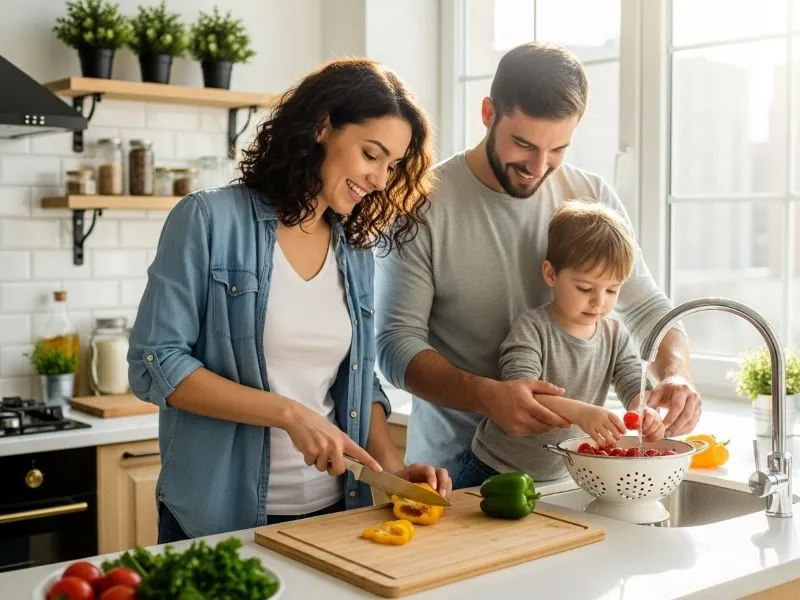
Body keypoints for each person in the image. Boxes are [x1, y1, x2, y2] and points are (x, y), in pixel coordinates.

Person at [127, 58, 452, 543]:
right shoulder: (208, 220)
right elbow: (156, 364)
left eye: (392, 165)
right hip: (218, 520)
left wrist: (392, 470)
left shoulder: (355, 250)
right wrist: (289, 412)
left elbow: (360, 382)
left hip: (332, 516)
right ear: (322, 127)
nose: (382, 179)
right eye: (371, 154)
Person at [375, 41, 701, 479]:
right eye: (523, 144)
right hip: (454, 476)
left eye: (558, 149)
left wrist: (674, 376)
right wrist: (487, 395)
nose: (539, 166)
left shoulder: (592, 196)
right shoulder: (421, 203)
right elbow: (396, 346)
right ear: (488, 113)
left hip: (568, 475)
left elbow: (646, 309)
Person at [455, 199, 666, 487]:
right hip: (495, 469)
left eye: (612, 290)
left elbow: (632, 380)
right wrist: (582, 412)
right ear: (551, 274)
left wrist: (645, 410)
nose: (599, 301)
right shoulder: (532, 328)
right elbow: (522, 394)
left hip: (562, 475)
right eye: (585, 288)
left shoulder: (616, 334)